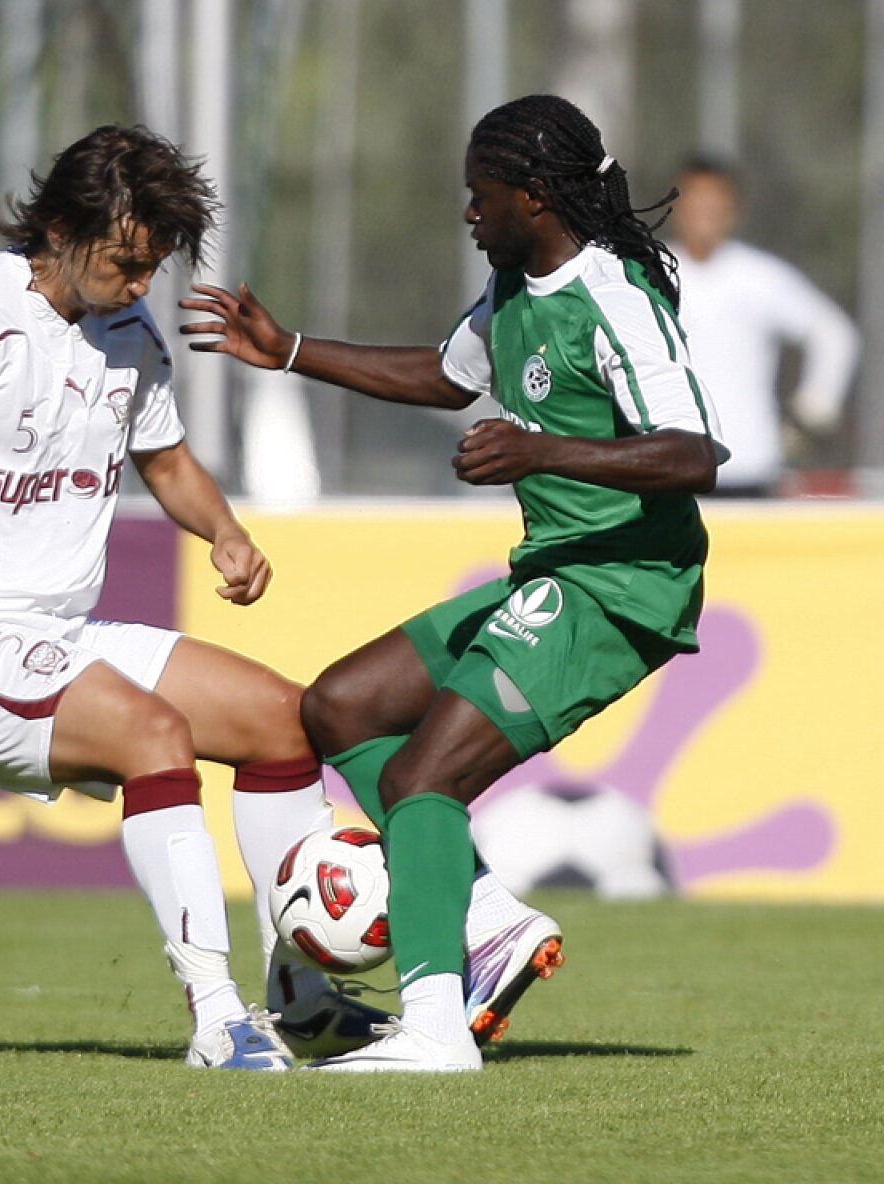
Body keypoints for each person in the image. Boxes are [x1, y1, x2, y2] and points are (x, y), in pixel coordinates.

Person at [0, 124, 392, 1071]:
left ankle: (295, 993)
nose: (142, 283)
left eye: (156, 266)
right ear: (59, 225)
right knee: (154, 737)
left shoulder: (128, 332)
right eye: (129, 260)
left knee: (282, 720)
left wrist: (224, 532)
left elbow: (165, 459)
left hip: (55, 633)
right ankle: (219, 1019)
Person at [181, 94, 727, 1072]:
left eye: (480, 198)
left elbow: (695, 453)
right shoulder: (516, 284)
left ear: (532, 195)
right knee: (340, 705)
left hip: (622, 584)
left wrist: (539, 448)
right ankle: (488, 919)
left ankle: (436, 1027)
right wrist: (291, 350)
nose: (468, 215)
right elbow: (443, 373)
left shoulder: (615, 296)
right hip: (556, 568)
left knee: (420, 777)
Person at [668, 155, 860, 496]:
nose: (706, 211)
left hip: (750, 468)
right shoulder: (649, 273)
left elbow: (834, 334)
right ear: (678, 206)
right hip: (670, 468)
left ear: (734, 208)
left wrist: (815, 409)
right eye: (696, 199)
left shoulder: (759, 276)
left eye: (717, 200)